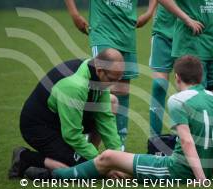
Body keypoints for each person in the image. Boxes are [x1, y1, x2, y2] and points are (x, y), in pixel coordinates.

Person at [52, 55, 213, 181]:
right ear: (200, 77)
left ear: (177, 77)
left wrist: (201, 181)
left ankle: (56, 175)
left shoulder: (178, 100)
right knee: (118, 167)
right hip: (201, 170)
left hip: (177, 171)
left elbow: (187, 141)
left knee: (108, 157)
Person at [9, 48, 125, 179]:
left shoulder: (98, 76)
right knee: (76, 169)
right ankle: (25, 158)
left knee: (111, 102)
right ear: (99, 71)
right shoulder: (75, 86)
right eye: (112, 79)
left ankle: (82, 156)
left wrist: (118, 158)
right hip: (38, 127)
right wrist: (99, 161)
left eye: (118, 79)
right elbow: (72, 134)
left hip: (62, 120)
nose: (114, 84)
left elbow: (104, 118)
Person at [65, 0, 157, 151]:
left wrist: (149, 12)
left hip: (127, 34)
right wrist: (74, 14)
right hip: (102, 32)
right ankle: (86, 142)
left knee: (122, 91)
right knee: (101, 88)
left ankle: (119, 145)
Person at [158, 0, 213, 173]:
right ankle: (204, 155)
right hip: (190, 43)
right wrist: (186, 19)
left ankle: (212, 149)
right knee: (200, 101)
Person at [149, 3, 176, 137]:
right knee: (159, 85)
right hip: (162, 30)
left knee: (186, 89)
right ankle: (154, 140)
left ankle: (180, 138)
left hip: (187, 32)